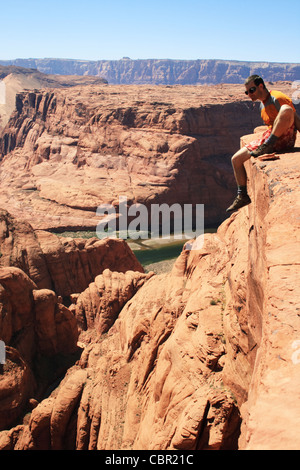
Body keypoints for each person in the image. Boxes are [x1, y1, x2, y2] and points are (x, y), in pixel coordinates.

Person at [226, 74, 299, 213]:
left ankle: (268, 145)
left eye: (251, 90)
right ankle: (242, 195)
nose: (249, 94)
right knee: (235, 159)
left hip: (285, 137)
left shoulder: (277, 98)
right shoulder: (262, 106)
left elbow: (293, 117)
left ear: (261, 86)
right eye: (246, 92)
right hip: (270, 137)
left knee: (286, 109)